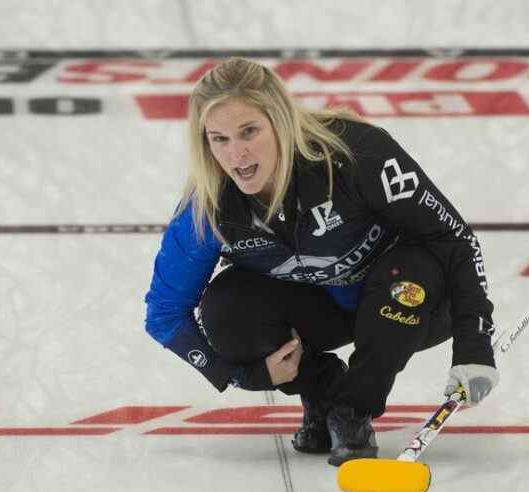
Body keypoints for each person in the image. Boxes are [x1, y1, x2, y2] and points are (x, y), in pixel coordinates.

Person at [144, 57, 499, 466]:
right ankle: (323, 393)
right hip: (322, 312)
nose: (237, 154)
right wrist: (248, 377)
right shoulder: (206, 210)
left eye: (249, 131)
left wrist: (475, 344)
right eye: (218, 139)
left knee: (412, 272)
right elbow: (164, 314)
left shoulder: (355, 153)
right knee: (226, 308)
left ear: (279, 120)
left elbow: (452, 237)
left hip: (413, 305)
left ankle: (352, 411)